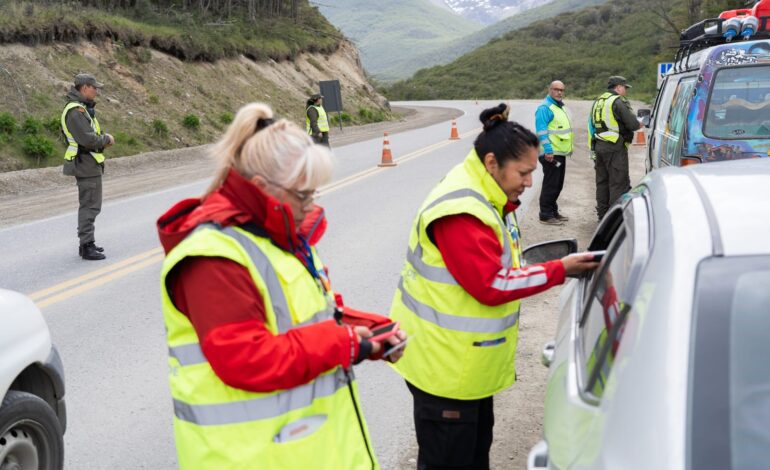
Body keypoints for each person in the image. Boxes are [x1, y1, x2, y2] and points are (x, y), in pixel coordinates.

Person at [156, 102, 405, 469]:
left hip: (306, 451)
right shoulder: (214, 257)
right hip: (252, 457)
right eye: (303, 195)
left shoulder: (279, 237)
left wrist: (368, 336)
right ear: (262, 188)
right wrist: (347, 342)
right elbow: (247, 359)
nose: (309, 206)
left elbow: (314, 317)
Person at [388, 103, 599, 470]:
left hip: (463, 366)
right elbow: (492, 284)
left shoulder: (485, 192)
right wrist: (559, 269)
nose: (529, 182)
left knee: (472, 454)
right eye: (524, 172)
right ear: (491, 163)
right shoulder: (463, 212)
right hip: (446, 369)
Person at [61, 73, 114, 260]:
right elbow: (88, 139)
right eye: (94, 87)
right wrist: (106, 139)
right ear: (84, 88)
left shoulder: (82, 109)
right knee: (89, 206)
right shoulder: (76, 112)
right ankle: (86, 246)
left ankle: (88, 243)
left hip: (88, 164)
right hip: (85, 164)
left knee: (91, 205)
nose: (97, 91)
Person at [589, 76, 642, 221]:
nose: (625, 90)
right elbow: (632, 124)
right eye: (625, 87)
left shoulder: (598, 101)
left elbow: (592, 125)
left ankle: (602, 216)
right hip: (614, 147)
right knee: (618, 183)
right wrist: (639, 124)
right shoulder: (617, 101)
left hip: (599, 146)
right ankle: (614, 220)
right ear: (618, 87)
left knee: (602, 182)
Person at [535, 80, 573, 226]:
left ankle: (553, 211)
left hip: (559, 153)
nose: (559, 92)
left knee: (557, 184)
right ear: (549, 90)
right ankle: (545, 215)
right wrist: (548, 151)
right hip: (550, 154)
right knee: (551, 184)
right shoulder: (545, 108)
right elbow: (542, 131)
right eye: (556, 89)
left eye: (562, 90)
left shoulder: (559, 107)